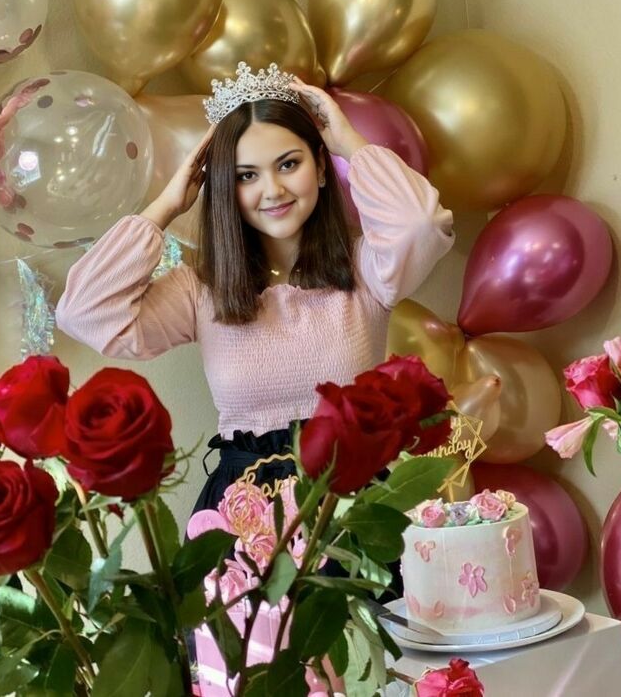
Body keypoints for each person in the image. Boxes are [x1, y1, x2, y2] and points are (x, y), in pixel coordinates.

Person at [55, 62, 455, 518]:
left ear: (321, 168)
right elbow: (83, 311)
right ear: (225, 187)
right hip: (242, 517)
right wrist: (167, 205)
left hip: (351, 513)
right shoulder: (200, 291)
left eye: (289, 164)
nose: (273, 190)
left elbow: (422, 225)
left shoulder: (367, 270)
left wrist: (349, 143)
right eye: (246, 175)